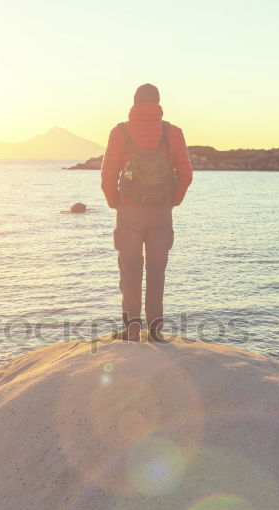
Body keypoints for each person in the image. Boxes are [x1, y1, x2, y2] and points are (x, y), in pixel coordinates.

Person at [101, 83, 193, 342]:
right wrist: (172, 202)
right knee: (156, 271)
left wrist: (116, 203)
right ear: (158, 103)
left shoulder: (120, 132)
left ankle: (131, 330)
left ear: (134, 102)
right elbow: (186, 174)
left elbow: (107, 177)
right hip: (161, 212)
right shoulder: (172, 132)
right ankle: (155, 331)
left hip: (129, 212)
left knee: (130, 272)